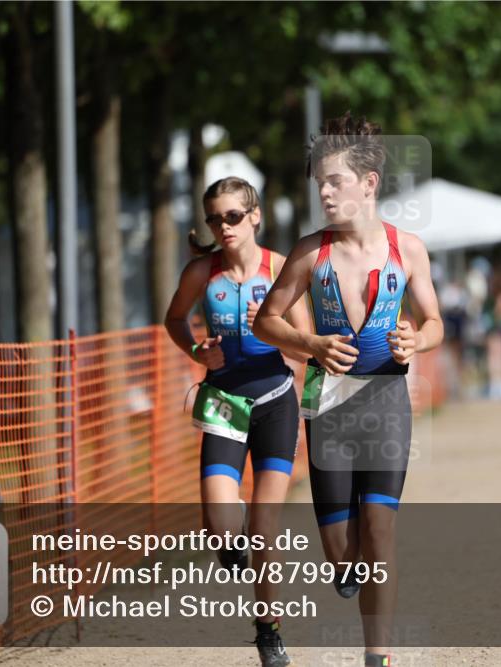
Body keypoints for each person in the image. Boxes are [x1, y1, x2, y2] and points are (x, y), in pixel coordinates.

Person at [253, 112, 443, 667]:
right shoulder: (311, 253)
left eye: (334, 181)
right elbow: (267, 321)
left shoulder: (407, 250)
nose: (325, 193)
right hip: (328, 406)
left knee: (379, 530)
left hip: (385, 401)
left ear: (369, 184)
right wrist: (310, 344)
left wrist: (416, 340)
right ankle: (345, 567)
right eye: (320, 184)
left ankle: (377, 657)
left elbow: (434, 322)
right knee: (343, 557)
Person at [164, 177, 310, 667]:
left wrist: (275, 329)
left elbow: (306, 345)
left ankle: (268, 632)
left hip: (274, 399)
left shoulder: (282, 270)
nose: (222, 226)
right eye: (213, 218)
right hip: (224, 402)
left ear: (255, 217)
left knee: (265, 528)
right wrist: (196, 351)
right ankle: (233, 549)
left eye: (231, 216)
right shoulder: (202, 272)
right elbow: (174, 319)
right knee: (221, 531)